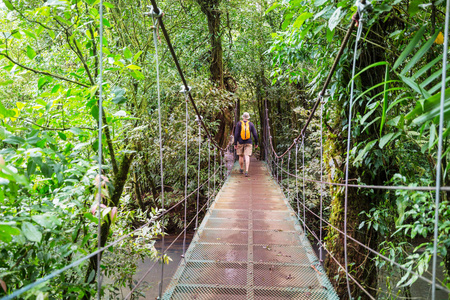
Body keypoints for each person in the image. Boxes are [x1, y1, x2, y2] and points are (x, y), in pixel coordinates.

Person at [234, 112, 258, 177]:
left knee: (241, 156)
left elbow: (236, 134)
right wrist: (256, 143)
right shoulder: (251, 124)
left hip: (240, 142)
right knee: (247, 156)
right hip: (249, 142)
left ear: (243, 117)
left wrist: (235, 143)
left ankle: (241, 168)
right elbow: (255, 134)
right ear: (248, 117)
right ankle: (246, 171)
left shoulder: (239, 123)